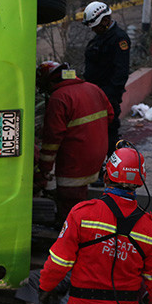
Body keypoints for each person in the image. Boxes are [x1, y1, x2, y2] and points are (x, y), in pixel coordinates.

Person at [39, 145, 152, 304]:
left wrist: (44, 288)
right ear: (141, 181)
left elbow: (58, 263)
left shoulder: (83, 213)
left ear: (107, 175)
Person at [35, 62, 114, 222]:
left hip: (75, 158)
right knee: (81, 190)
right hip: (97, 153)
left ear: (50, 82)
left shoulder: (59, 98)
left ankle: (71, 233)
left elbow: (52, 140)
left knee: (69, 198)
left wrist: (44, 170)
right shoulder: (93, 88)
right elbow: (110, 116)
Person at [82, 1, 131, 156]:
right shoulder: (100, 37)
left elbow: (121, 72)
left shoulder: (118, 39)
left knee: (109, 132)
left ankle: (111, 168)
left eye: (95, 26)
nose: (94, 30)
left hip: (107, 96)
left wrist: (108, 95)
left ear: (105, 20)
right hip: (94, 93)